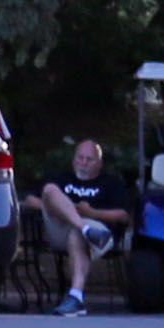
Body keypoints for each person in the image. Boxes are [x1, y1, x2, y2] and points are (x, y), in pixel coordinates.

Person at [30, 134, 120, 316]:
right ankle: (84, 228)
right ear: (73, 159)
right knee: (50, 190)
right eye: (80, 157)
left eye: (90, 159)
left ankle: (76, 297)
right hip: (62, 228)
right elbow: (30, 201)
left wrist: (92, 213)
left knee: (77, 235)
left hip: (100, 234)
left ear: (99, 163)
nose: (84, 162)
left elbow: (124, 216)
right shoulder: (61, 178)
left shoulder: (111, 183)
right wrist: (60, 209)